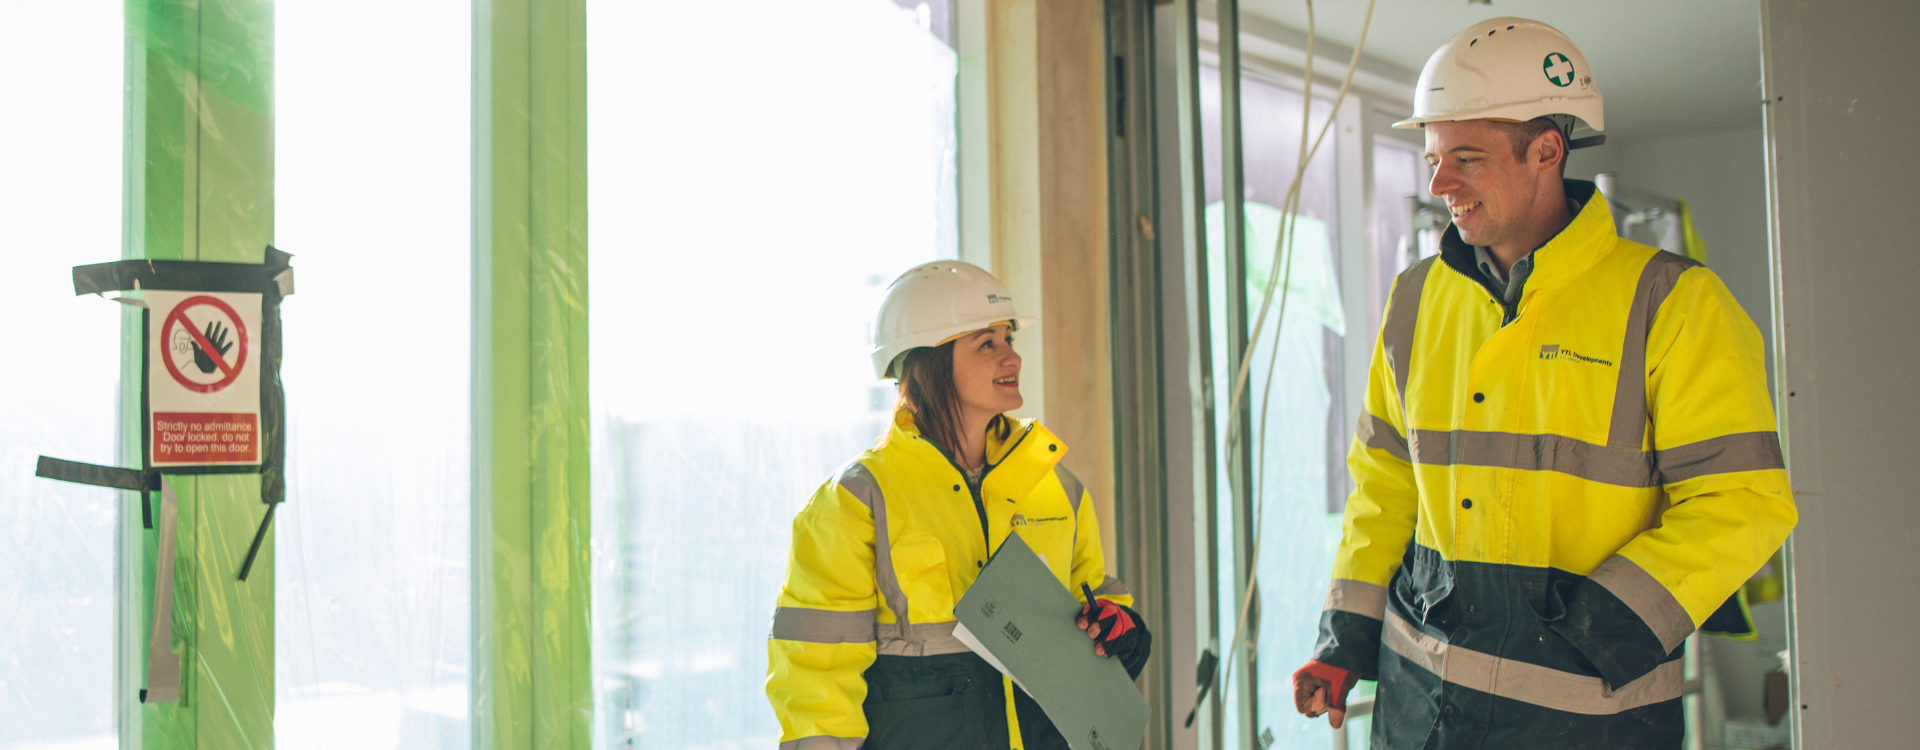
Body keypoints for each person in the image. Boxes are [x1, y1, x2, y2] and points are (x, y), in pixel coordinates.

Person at [1292, 17, 1796, 749]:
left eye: (1465, 156)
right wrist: (1346, 637)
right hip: (1419, 711)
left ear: (1547, 151)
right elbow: (1385, 483)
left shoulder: (1671, 302)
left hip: (1588, 719)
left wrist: (1601, 627)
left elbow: (1743, 501)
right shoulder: (1415, 298)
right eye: (1433, 157)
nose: (1439, 184)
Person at [766, 260, 1151, 750]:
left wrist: (1120, 629)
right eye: (986, 344)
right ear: (925, 361)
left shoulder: (1057, 487)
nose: (1011, 358)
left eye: (1009, 339)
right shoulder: (857, 501)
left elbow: (1100, 604)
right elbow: (816, 676)